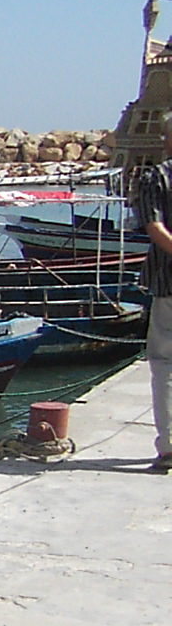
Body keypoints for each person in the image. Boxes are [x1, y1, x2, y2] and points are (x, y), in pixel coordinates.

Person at [134, 160, 172, 470]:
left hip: (168, 282)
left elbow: (153, 226)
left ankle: (169, 446)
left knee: (164, 365)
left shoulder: (157, 176)